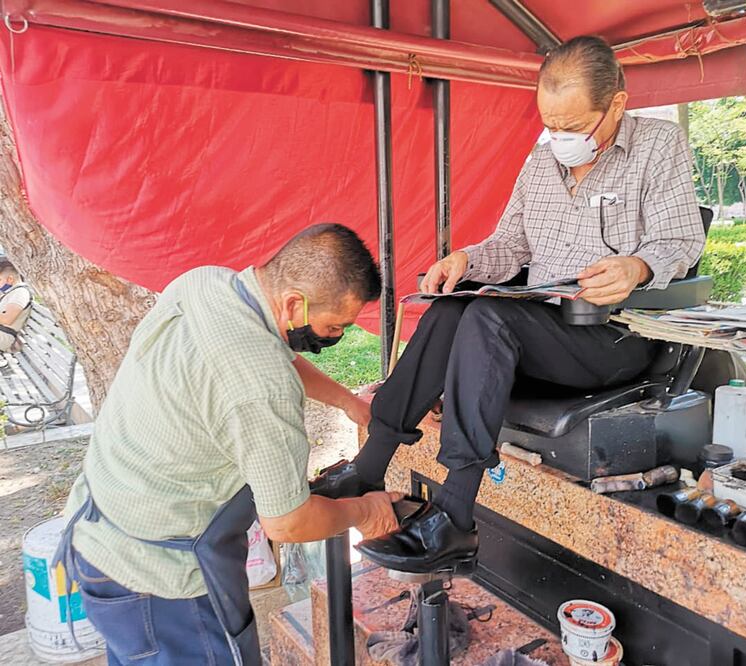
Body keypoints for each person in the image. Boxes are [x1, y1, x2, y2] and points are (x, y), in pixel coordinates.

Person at [311, 36, 705, 574]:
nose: (559, 138)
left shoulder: (659, 146)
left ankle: (454, 516)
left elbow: (680, 242)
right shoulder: (543, 158)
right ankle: (369, 465)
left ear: (616, 103)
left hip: (613, 336)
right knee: (453, 308)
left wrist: (637, 267)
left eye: (572, 125)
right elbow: (512, 247)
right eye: (550, 123)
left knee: (489, 317)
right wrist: (467, 260)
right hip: (541, 327)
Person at [56, 224, 402, 666]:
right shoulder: (263, 387)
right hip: (162, 582)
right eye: (334, 326)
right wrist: (366, 512)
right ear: (295, 304)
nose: (334, 337)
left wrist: (350, 403)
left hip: (100, 541)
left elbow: (273, 353)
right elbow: (288, 524)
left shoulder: (207, 283)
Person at [0, 262, 32, 353]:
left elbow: (7, 319)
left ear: (10, 279)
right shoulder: (12, 291)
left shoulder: (20, 293)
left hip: (4, 337)